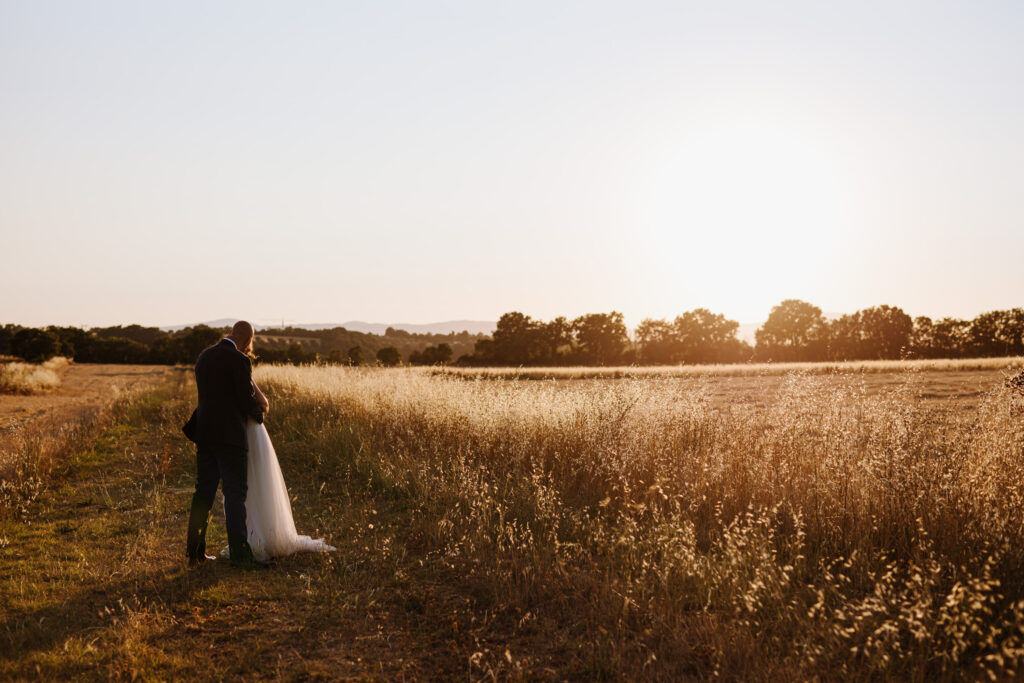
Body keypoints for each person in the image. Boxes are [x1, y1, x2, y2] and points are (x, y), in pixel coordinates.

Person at [183, 321, 268, 569]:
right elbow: (244, 399)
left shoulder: (205, 356)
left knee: (203, 494)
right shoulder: (240, 360)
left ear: (232, 333)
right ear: (247, 340)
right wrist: (259, 414)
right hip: (230, 436)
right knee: (234, 495)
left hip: (205, 433)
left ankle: (195, 553)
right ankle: (241, 557)